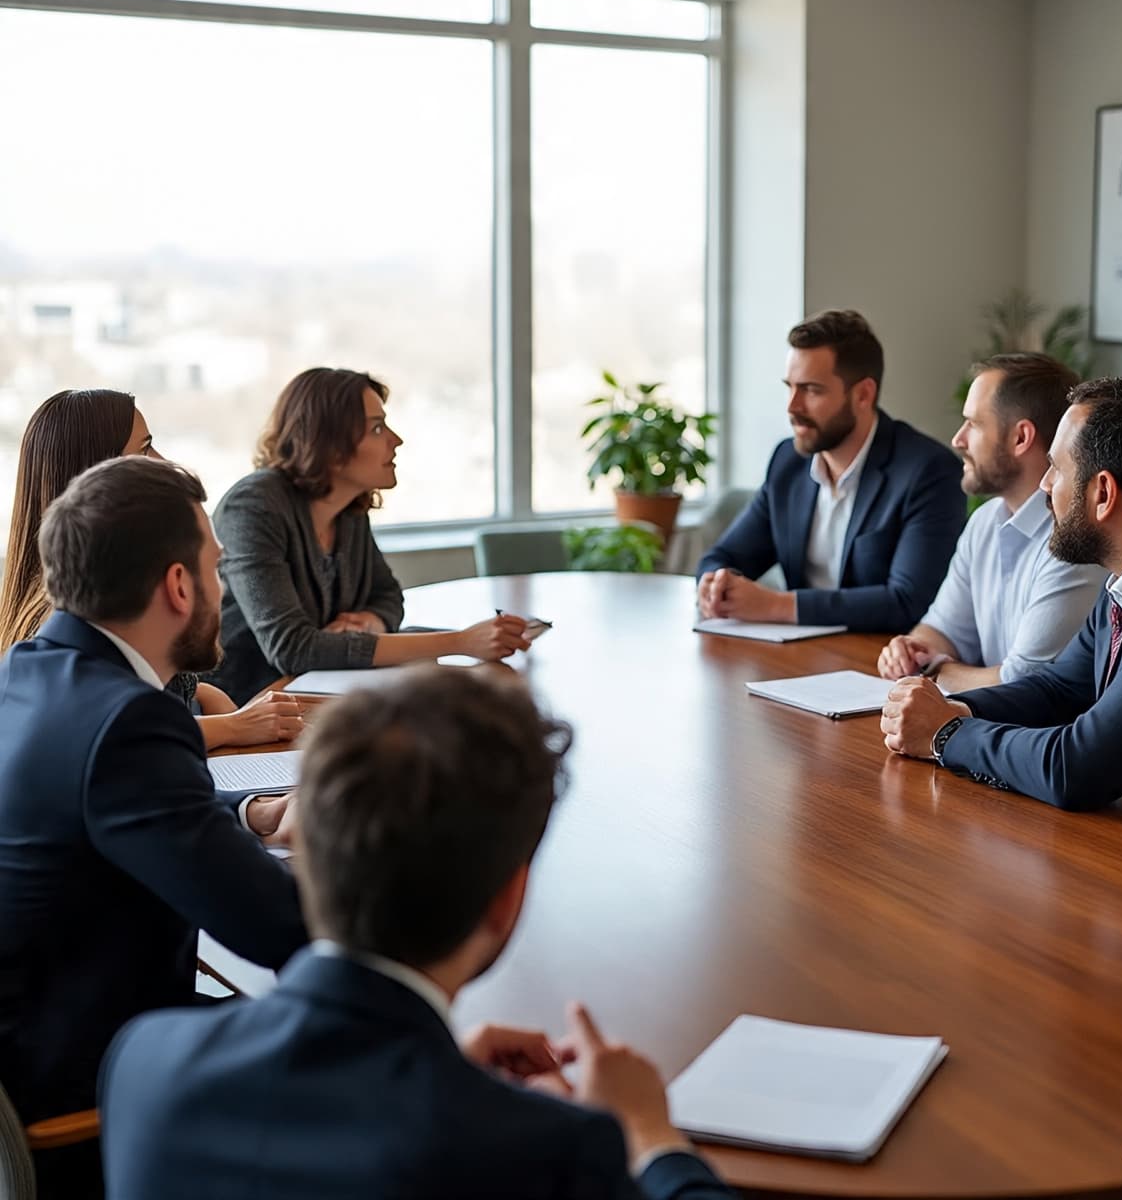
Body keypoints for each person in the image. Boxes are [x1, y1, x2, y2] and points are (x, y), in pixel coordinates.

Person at [100, 668, 735, 1200]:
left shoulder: (143, 1062)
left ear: (309, 855)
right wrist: (650, 1140)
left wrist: (447, 1071)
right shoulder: (551, 1151)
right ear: (508, 899)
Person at [0, 456, 307, 1198]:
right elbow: (279, 929)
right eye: (215, 567)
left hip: (36, 1040)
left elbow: (121, 817)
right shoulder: (130, 721)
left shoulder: (27, 672)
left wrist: (241, 814)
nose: (221, 587)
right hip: (86, 1093)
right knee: (368, 1070)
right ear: (177, 585)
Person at [880, 374, 1122, 844]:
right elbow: (1060, 689)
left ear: (1103, 493)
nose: (1045, 485)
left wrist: (946, 733)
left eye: (1056, 469)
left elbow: (1079, 767)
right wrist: (943, 707)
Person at [0, 389, 305, 750]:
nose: (163, 463)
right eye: (144, 450)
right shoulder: (75, 619)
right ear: (98, 477)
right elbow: (117, 732)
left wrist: (208, 696)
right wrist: (232, 728)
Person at [209, 367, 530, 703]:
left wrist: (371, 621)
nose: (396, 440)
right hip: (249, 705)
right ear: (328, 443)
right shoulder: (252, 506)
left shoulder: (348, 506)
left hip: (324, 692)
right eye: (377, 427)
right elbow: (293, 648)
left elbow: (388, 595)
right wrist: (461, 642)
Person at [696, 309, 965, 630]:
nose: (792, 406)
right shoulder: (788, 462)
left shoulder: (928, 471)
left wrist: (777, 605)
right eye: (790, 387)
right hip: (795, 657)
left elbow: (909, 601)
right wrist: (715, 584)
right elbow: (725, 555)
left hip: (882, 664)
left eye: (811, 390)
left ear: (863, 394)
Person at [877, 354, 1104, 690]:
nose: (958, 439)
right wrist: (909, 651)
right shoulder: (985, 520)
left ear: (1020, 438)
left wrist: (932, 670)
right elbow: (940, 631)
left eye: (974, 423)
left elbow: (1021, 683)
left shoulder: (1074, 540)